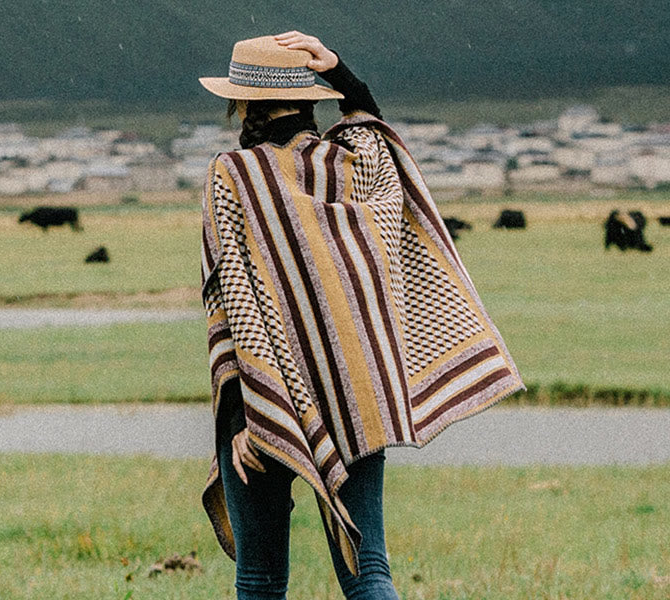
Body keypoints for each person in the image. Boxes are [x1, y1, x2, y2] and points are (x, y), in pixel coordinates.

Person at [199, 31, 524, 600]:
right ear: (308, 99)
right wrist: (344, 75)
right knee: (369, 573)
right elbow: (374, 128)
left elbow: (236, 307)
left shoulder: (232, 175)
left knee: (259, 578)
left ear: (243, 103)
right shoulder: (355, 167)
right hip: (355, 392)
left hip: (263, 395)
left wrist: (245, 420)